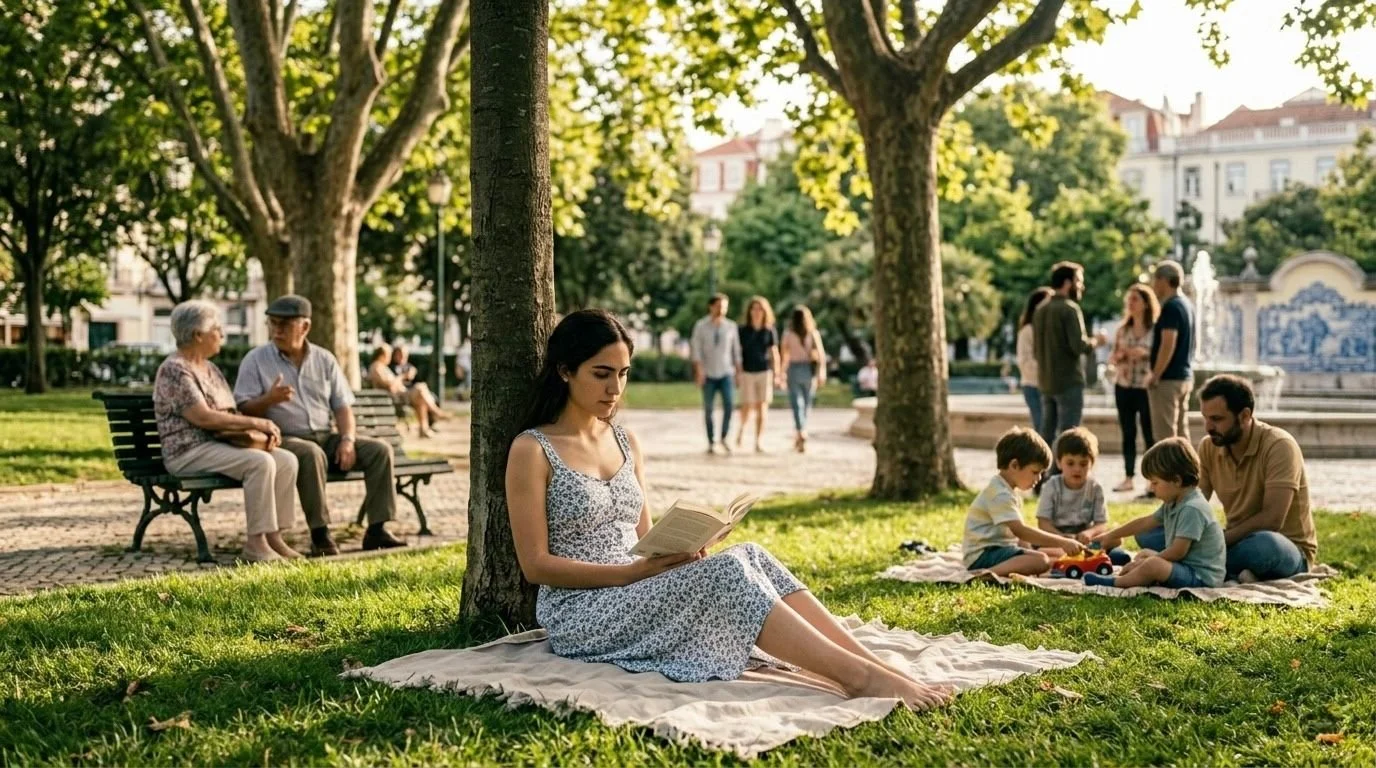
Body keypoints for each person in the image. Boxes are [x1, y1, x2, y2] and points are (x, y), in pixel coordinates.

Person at [505, 309, 952, 709]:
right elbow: (536, 565)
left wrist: (680, 549)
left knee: (751, 554)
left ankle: (875, 665)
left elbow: (643, 541)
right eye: (602, 374)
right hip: (581, 611)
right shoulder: (533, 449)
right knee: (729, 574)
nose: (614, 388)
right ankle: (859, 679)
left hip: (636, 586)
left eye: (623, 373)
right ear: (565, 370)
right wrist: (631, 574)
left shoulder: (625, 440)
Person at [233, 295, 407, 557]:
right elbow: (243, 409)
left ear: (305, 327)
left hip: (327, 436)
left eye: (285, 324)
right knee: (310, 453)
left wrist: (347, 439)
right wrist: (269, 400)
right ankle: (321, 534)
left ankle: (377, 530)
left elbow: (342, 406)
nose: (277, 330)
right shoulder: (255, 360)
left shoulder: (324, 359)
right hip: (285, 439)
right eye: (273, 323)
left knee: (379, 450)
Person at [152, 300, 301, 562]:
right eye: (217, 329)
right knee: (259, 463)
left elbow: (229, 413)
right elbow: (204, 418)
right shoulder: (175, 370)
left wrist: (259, 430)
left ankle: (273, 537)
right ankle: (255, 543)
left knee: (286, 460)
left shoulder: (210, 369)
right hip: (188, 451)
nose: (222, 334)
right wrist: (258, 423)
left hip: (219, 445)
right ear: (198, 335)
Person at [1137, 375, 1316, 582]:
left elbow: (1272, 519)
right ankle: (1222, 567)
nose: (1208, 427)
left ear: (1245, 416)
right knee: (1148, 534)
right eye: (1205, 418)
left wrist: (1217, 541)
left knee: (1266, 546)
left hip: (1284, 547)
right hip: (1233, 541)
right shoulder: (1209, 446)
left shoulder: (1279, 446)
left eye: (1217, 419)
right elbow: (1193, 500)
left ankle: (1193, 564)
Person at [1086, 438, 1225, 589]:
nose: (1151, 489)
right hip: (1186, 567)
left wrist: (1143, 564)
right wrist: (1110, 536)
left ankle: (1115, 583)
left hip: (1200, 577)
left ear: (1176, 480)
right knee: (1145, 554)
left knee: (1153, 564)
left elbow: (1178, 552)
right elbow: (1145, 523)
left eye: (1155, 483)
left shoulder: (1192, 508)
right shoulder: (1174, 501)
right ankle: (1142, 574)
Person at [963, 427, 1084, 576]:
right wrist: (1063, 541)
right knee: (1041, 561)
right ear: (1014, 465)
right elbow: (1021, 531)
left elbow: (1020, 538)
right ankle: (986, 575)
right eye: (1035, 472)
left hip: (997, 549)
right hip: (982, 555)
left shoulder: (1009, 490)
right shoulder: (1000, 494)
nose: (1039, 479)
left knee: (1054, 555)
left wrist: (1032, 551)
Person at [1032, 262, 1107, 447]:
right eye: (1078, 281)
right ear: (1067, 283)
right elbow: (1079, 346)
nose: (1081, 286)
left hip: (1046, 382)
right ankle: (1061, 475)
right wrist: (1097, 341)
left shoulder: (1040, 310)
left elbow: (1036, 349)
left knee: (1046, 434)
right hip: (1068, 382)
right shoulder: (1069, 309)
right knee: (1068, 436)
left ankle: (1041, 474)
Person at [1035, 428, 1130, 566]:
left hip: (1084, 537)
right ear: (1059, 463)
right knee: (1036, 542)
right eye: (1070, 463)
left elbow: (1101, 523)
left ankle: (1086, 555)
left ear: (1092, 463)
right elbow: (1043, 523)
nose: (1077, 469)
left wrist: (1089, 533)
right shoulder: (1051, 486)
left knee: (1116, 538)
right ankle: (1083, 557)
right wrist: (1062, 538)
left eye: (1083, 463)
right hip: (1057, 536)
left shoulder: (1096, 488)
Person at [1109, 283, 1159, 492]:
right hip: (1124, 385)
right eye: (1129, 300)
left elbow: (1160, 355)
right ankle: (1128, 477)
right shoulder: (1123, 330)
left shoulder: (1155, 330)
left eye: (1135, 299)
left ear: (1146, 304)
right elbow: (1113, 357)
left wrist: (1145, 354)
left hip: (1146, 386)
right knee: (1128, 432)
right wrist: (1120, 357)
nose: (1130, 304)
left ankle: (1152, 479)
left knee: (1150, 432)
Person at [1145, 260, 1195, 443]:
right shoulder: (1187, 305)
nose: (1153, 286)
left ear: (1163, 280)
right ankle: (1188, 470)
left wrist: (1155, 375)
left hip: (1168, 379)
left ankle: (1168, 472)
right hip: (1184, 376)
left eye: (1155, 280)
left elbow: (1168, 343)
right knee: (1182, 433)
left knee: (1165, 435)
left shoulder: (1171, 307)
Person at [689, 294, 742, 455]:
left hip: (726, 373)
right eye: (719, 306)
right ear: (711, 306)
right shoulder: (701, 326)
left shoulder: (731, 326)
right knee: (709, 409)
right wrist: (699, 372)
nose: (722, 309)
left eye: (724, 306)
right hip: (708, 374)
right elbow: (696, 351)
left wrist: (738, 372)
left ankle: (724, 437)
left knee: (728, 406)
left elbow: (736, 351)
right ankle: (711, 441)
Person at [367, 343, 450, 438]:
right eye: (389, 355)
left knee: (420, 398)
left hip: (398, 395)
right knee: (420, 387)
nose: (390, 358)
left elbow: (393, 383)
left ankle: (424, 429)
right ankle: (436, 412)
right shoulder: (376, 367)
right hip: (394, 397)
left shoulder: (382, 367)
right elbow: (390, 385)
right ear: (382, 355)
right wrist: (404, 376)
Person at [779, 305, 827, 453]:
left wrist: (781, 373)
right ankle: (802, 431)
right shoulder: (813, 334)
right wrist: (821, 372)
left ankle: (800, 431)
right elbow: (821, 355)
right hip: (808, 370)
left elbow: (784, 355)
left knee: (796, 403)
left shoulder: (788, 334)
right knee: (806, 403)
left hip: (794, 369)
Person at [735, 296, 779, 453]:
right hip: (747, 371)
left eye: (760, 308)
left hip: (764, 371)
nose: (757, 312)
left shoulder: (769, 330)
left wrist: (777, 373)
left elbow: (774, 352)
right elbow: (737, 352)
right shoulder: (742, 330)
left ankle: (758, 440)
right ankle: (741, 430)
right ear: (750, 311)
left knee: (762, 406)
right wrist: (737, 371)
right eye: (754, 308)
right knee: (747, 406)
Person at [1016, 288, 1054, 432]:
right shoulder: (1028, 330)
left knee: (1049, 428)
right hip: (1033, 385)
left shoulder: (1047, 329)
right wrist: (1047, 369)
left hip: (1047, 385)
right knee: (1041, 427)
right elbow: (1024, 361)